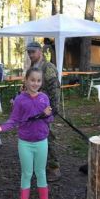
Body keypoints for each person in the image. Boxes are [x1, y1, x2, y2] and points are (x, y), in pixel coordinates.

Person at [0, 67, 55, 199]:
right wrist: (1, 127)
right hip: (25, 143)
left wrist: (48, 114)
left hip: (41, 142)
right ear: (26, 80)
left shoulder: (44, 98)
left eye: (38, 80)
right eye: (32, 80)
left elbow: (50, 119)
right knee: (26, 173)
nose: (35, 83)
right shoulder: (20, 99)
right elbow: (14, 120)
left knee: (40, 172)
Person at [26, 41, 62, 182]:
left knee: (49, 137)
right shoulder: (33, 66)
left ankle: (54, 168)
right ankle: (41, 166)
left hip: (46, 109)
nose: (30, 55)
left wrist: (53, 109)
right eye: (29, 52)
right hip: (34, 109)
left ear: (40, 52)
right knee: (37, 137)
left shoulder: (48, 67)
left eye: (32, 52)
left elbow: (54, 89)